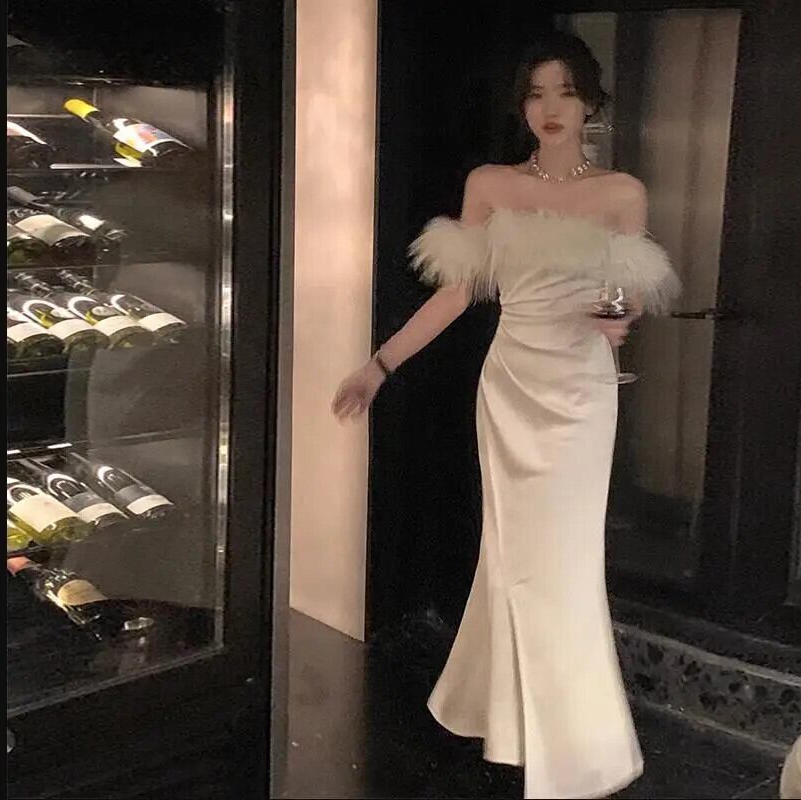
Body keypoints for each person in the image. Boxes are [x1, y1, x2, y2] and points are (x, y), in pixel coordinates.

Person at [332, 31, 680, 800]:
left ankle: (575, 740)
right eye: (536, 93)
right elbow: (456, 294)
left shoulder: (621, 193)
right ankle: (508, 716)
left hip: (580, 394)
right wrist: (379, 365)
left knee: (562, 562)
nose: (550, 108)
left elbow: (624, 294)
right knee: (513, 555)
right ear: (521, 105)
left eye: (565, 92)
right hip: (511, 386)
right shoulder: (490, 183)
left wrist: (617, 317)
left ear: (591, 101)